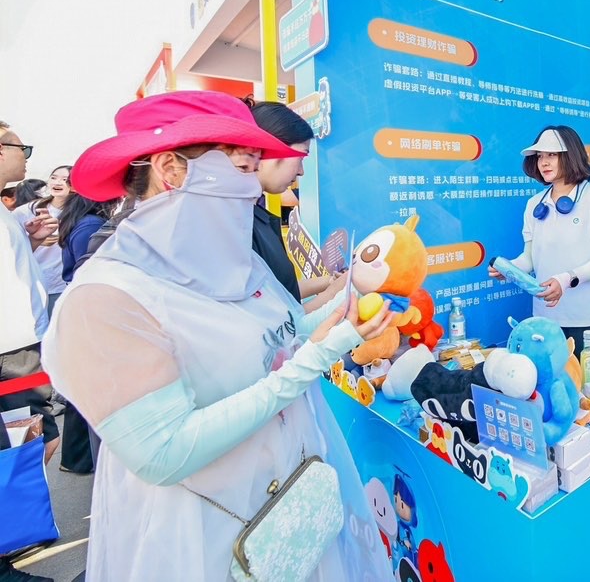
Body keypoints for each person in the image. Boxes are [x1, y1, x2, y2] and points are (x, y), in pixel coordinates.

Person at [41, 91, 395, 581]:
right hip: (205, 538)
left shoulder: (239, 261)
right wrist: (315, 359)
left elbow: (280, 335)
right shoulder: (107, 297)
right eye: (244, 166)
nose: (255, 186)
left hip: (288, 509)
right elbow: (164, 454)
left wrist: (343, 313)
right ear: (172, 169)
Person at [489, 125, 590, 376]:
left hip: (588, 321)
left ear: (571, 155)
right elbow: (530, 257)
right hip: (545, 323)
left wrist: (566, 279)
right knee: (549, 391)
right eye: (540, 156)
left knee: (587, 394)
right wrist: (510, 270)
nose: (544, 162)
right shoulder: (534, 204)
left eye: (552, 155)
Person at [248, 99, 341, 303]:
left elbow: (282, 288)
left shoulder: (257, 218)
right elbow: (280, 315)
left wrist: (331, 282)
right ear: (269, 151)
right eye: (300, 158)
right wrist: (335, 294)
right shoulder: (239, 227)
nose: (301, 171)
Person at [0, 123, 55, 464]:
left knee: (23, 446)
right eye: (24, 150)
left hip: (16, 351)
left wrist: (30, 242)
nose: (27, 158)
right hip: (13, 354)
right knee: (32, 447)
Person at [52, 191, 112, 474]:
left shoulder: (80, 221)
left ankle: (76, 459)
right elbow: (86, 270)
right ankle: (79, 459)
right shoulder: (91, 226)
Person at [14, 165, 72, 330]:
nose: (57, 182)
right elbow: (13, 245)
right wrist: (34, 239)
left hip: (60, 283)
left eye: (65, 179)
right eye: (54, 177)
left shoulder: (80, 213)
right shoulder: (27, 210)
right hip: (32, 280)